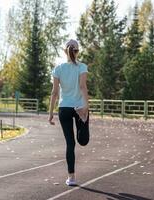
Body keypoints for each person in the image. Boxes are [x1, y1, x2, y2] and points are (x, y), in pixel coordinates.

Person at [48, 39, 89, 186]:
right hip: (79, 106)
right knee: (83, 141)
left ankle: (71, 178)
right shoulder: (82, 67)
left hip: (64, 108)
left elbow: (54, 92)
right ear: (77, 51)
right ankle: (83, 120)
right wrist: (86, 107)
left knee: (70, 144)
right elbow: (83, 87)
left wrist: (51, 112)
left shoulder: (58, 68)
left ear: (65, 51)